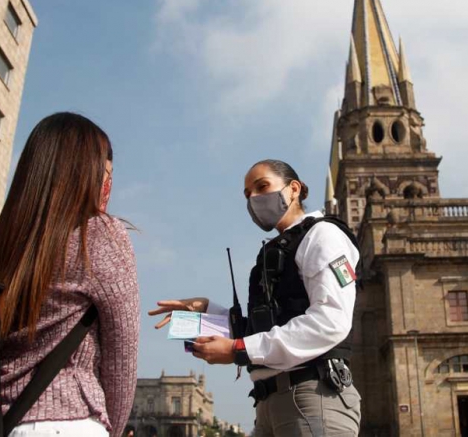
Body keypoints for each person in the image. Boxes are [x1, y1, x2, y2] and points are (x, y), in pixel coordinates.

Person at [150, 159, 361, 436]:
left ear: (293, 189)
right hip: (269, 403)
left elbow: (331, 320)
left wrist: (238, 350)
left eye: (262, 187)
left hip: (312, 396)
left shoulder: (323, 235)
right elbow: (268, 327)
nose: (255, 199)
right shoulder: (280, 247)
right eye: (248, 194)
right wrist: (208, 313)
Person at [0, 112, 140, 437]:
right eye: (104, 173)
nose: (108, 184)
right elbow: (122, 358)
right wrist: (114, 428)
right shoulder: (99, 234)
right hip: (68, 420)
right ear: (84, 174)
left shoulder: (7, 241)